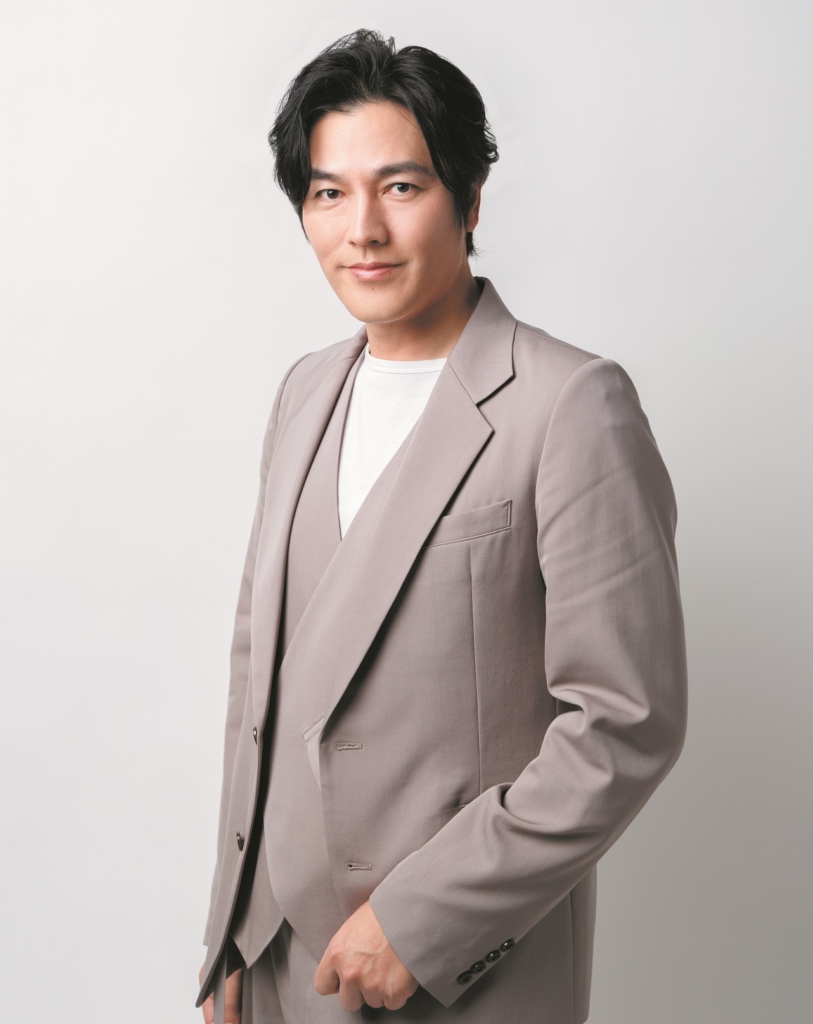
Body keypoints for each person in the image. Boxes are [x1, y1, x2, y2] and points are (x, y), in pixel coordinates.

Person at [197, 28, 687, 1024]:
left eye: (401, 186)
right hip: (282, 961)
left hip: (458, 971)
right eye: (329, 193)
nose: (363, 229)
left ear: (468, 198)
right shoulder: (303, 392)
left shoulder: (570, 402)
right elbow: (261, 679)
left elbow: (625, 720)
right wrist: (230, 931)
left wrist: (422, 921)